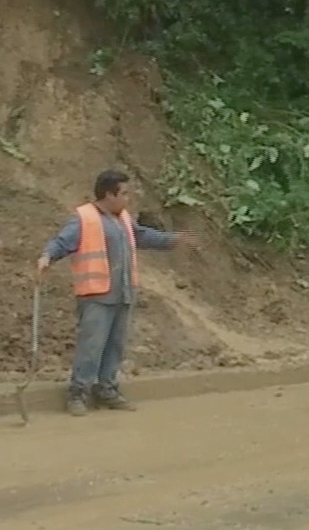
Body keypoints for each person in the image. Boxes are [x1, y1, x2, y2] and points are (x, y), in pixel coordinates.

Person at [36, 169, 192, 416]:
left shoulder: (123, 219)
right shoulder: (83, 218)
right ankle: (79, 393)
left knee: (115, 346)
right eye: (124, 193)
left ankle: (106, 388)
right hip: (96, 295)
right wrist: (47, 257)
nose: (128, 199)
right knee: (91, 346)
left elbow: (142, 236)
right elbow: (61, 242)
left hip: (123, 292)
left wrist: (171, 240)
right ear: (109, 194)